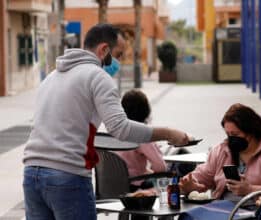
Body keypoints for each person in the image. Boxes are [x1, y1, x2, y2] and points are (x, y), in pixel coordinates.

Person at [23, 24, 189, 220]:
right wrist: (169, 133)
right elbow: (121, 129)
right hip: (68, 176)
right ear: (104, 50)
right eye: (118, 54)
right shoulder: (97, 76)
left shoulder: (51, 77)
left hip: (32, 175)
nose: (118, 62)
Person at [179, 103, 261, 200]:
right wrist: (191, 185)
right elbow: (204, 176)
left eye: (235, 134)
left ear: (251, 131)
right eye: (228, 134)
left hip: (258, 211)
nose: (231, 139)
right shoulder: (222, 150)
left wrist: (251, 189)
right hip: (222, 209)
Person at [116, 89, 167, 191]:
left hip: (111, 185)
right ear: (146, 111)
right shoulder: (143, 134)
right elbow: (161, 167)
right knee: (176, 171)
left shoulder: (114, 130)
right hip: (134, 187)